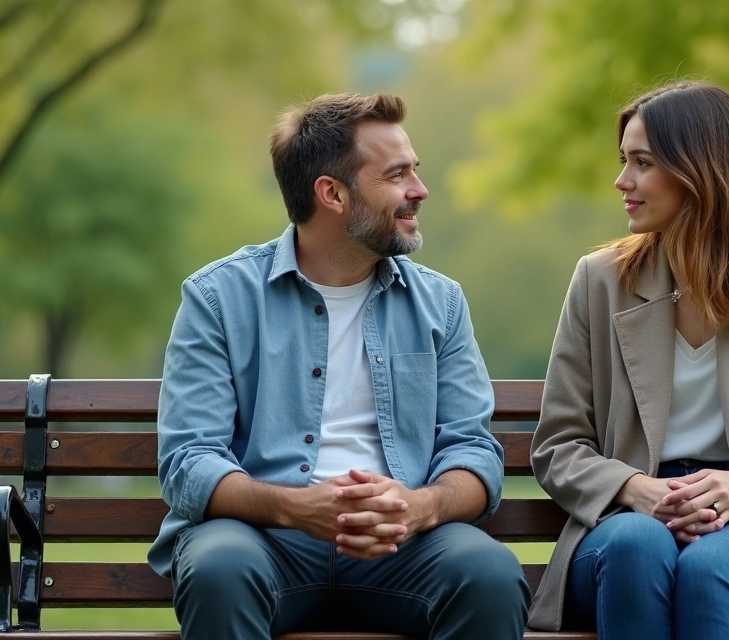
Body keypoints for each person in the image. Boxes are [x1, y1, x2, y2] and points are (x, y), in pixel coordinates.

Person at [149, 92, 529, 640]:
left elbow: (472, 450)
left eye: (414, 172)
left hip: (404, 543)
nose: (419, 191)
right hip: (264, 541)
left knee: (489, 574)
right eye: (397, 175)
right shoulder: (218, 297)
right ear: (331, 193)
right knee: (217, 568)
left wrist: (419, 506)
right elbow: (189, 460)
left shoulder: (440, 303)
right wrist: (296, 508)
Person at [527, 81, 729, 639]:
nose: (622, 181)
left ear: (699, 172)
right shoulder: (600, 281)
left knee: (710, 570)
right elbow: (558, 445)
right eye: (623, 161)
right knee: (639, 545)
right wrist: (636, 489)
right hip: (623, 523)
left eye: (642, 163)